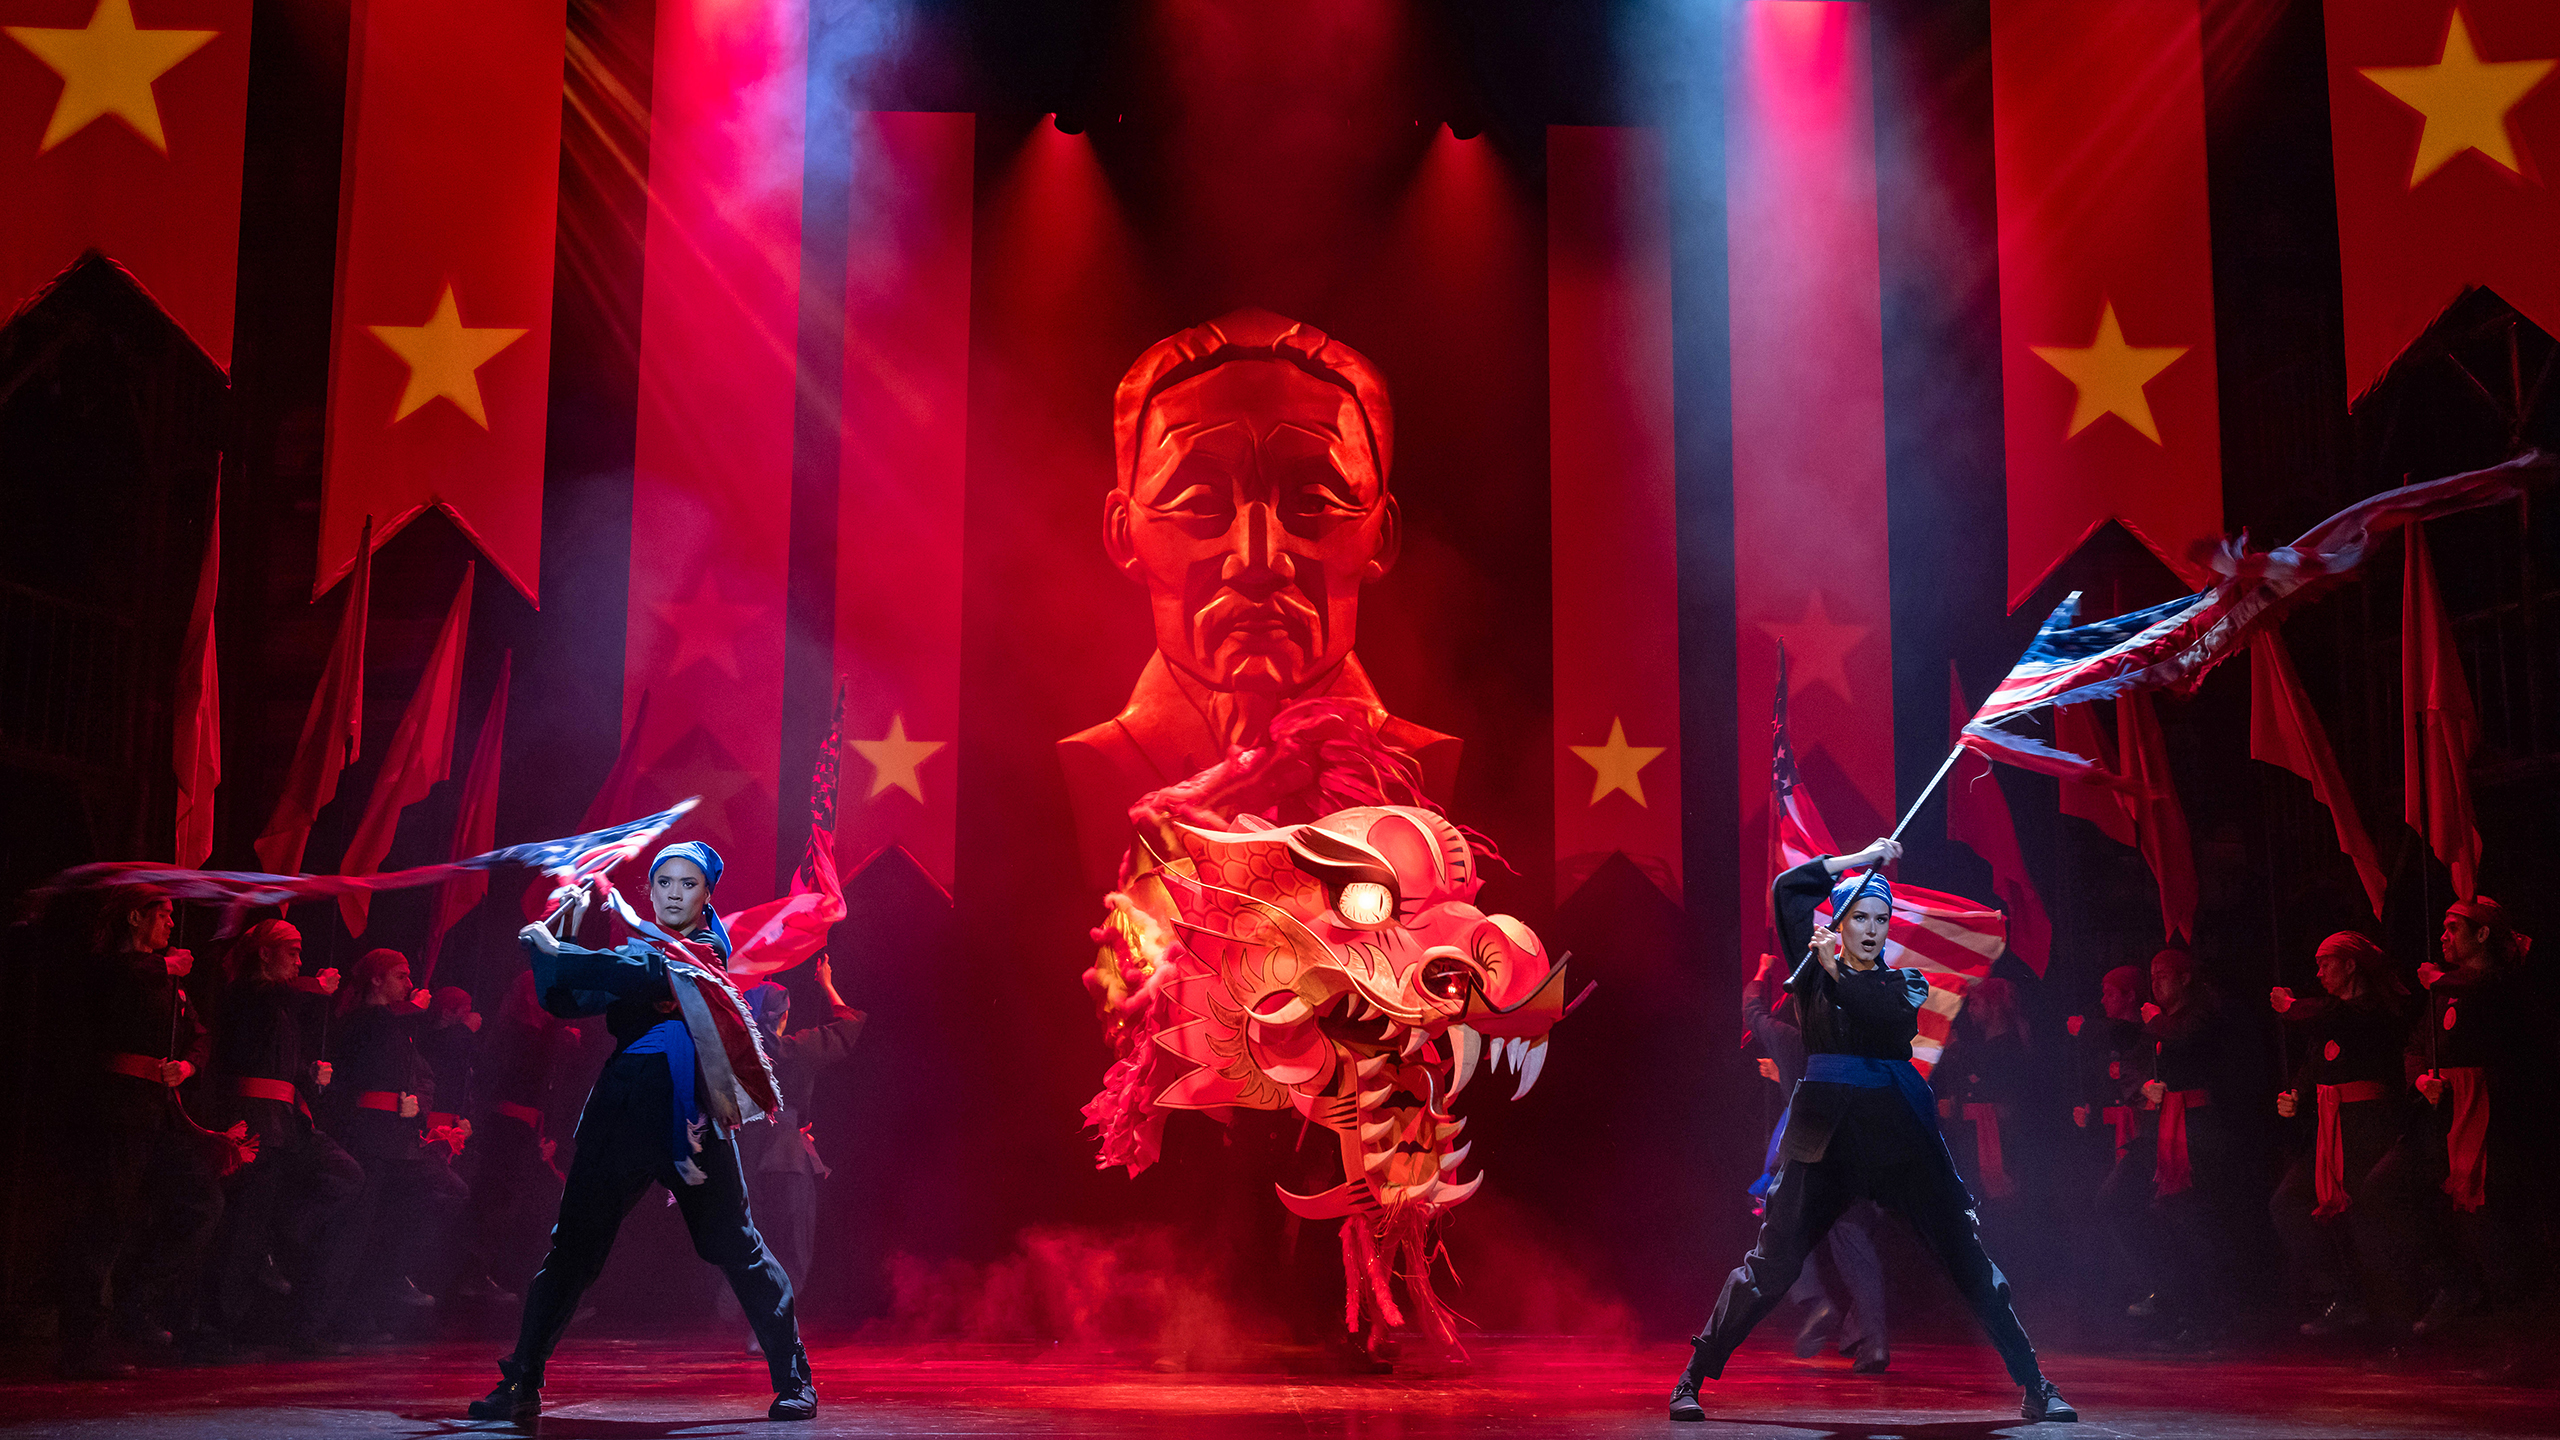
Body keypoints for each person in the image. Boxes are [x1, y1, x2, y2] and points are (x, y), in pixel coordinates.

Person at [1670, 839, 2074, 1424]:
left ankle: (2036, 1383)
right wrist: (1856, 858)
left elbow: (1881, 1018)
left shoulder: (1903, 984)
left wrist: (1836, 969)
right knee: (1772, 1266)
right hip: (1822, 1138)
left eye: (1881, 919)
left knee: (1967, 1257)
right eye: (1860, 916)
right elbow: (1788, 889)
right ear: (1839, 920)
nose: (1872, 928)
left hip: (1895, 1136)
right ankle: (1693, 1375)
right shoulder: (1809, 976)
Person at [1057, 308, 1460, 889]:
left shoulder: (1420, 765)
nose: (1258, 558)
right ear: (1123, 533)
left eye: (1316, 501)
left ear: (1383, 534)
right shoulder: (1095, 766)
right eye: (1198, 501)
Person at [469, 843, 815, 1424]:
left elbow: (638, 972)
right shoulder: (637, 952)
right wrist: (561, 930)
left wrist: (561, 951)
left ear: (707, 897)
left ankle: (795, 1379)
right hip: (622, 1109)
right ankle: (522, 1381)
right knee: (573, 1247)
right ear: (649, 893)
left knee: (734, 1242)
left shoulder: (703, 950)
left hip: (689, 1116)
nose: (675, 893)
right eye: (664, 883)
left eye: (688, 884)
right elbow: (565, 997)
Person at [57, 885, 227, 1377]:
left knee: (201, 1202)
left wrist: (188, 1069)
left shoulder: (166, 978)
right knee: (103, 1219)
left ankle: (136, 1305)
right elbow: (112, 974)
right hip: (117, 1108)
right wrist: (164, 967)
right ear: (136, 917)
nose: (172, 924)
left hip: (160, 1111)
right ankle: (81, 1344)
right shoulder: (114, 968)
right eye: (164, 914)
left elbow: (199, 1035)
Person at [207, 920, 364, 1349]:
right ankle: (221, 1328)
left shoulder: (281, 1006)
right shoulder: (248, 995)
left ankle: (281, 1236)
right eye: (291, 952)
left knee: (343, 1174)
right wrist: (315, 985)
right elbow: (258, 1014)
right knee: (244, 1222)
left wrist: (308, 1076)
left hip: (287, 1121)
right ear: (264, 954)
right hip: (255, 1120)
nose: (299, 961)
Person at [1741, 952, 1889, 1373]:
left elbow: (1752, 1012)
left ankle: (1816, 1302)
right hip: (1855, 1152)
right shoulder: (1858, 1040)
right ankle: (1874, 1342)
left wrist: (1761, 972)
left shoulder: (1790, 1040)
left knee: (1785, 1226)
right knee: (1853, 1243)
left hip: (1810, 1151)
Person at [2396, 897, 2538, 1331]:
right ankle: (2454, 1283)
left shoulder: (2502, 985)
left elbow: (2491, 999)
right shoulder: (2444, 991)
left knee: (2489, 1220)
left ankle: (2520, 1328)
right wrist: (2422, 1080)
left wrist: (2445, 982)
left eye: (2453, 928)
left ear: (2482, 935)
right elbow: (2416, 1048)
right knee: (2393, 1188)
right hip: (2443, 1113)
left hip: (2492, 1115)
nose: (2443, 936)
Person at [313, 949, 469, 1339]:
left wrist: (417, 1108)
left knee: (445, 1194)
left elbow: (422, 1074)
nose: (409, 983)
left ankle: (389, 1280)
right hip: (368, 1138)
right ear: (376, 980)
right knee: (355, 1233)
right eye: (400, 975)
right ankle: (328, 1323)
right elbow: (372, 1034)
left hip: (399, 1143)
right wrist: (418, 1010)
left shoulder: (398, 1029)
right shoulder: (362, 1021)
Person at [2267, 932, 2414, 1336]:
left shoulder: (2375, 1011)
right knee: (2289, 1204)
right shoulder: (2331, 1015)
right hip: (2330, 1130)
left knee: (2366, 1215)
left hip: (2367, 1124)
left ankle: (2391, 1316)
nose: (2319, 973)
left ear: (2351, 965)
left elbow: (2341, 1020)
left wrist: (2294, 1007)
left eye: (2325, 963)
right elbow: (2317, 1061)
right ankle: (2342, 1292)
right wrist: (2295, 1092)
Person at [731, 956, 865, 1346]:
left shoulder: (738, 1056)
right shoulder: (796, 1050)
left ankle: (758, 1320)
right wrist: (826, 984)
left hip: (747, 1157)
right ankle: (770, 1325)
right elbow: (849, 1026)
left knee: (759, 1243)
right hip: (786, 1156)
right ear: (783, 1017)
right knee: (793, 1248)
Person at [2131, 947, 2236, 1347]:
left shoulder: (2202, 1016)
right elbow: (2138, 1061)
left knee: (2197, 1223)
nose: (2155, 983)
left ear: (2185, 978)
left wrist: (2155, 1024)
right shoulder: (2162, 1024)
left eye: (2163, 975)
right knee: (2171, 1219)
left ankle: (2210, 1318)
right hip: (2169, 1128)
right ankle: (2182, 1308)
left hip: (2199, 1131)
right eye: (2152, 975)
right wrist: (2143, 1086)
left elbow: (2186, 1041)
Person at [2071, 965, 2154, 1315]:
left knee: (2127, 1204)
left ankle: (2147, 1286)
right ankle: (2116, 1289)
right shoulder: (2106, 1037)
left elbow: (2119, 1036)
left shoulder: (2141, 1032)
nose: (2103, 1000)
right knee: (2098, 1205)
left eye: (2110, 993)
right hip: (2105, 1132)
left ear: (2130, 996)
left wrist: (2084, 1027)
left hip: (2137, 1130)